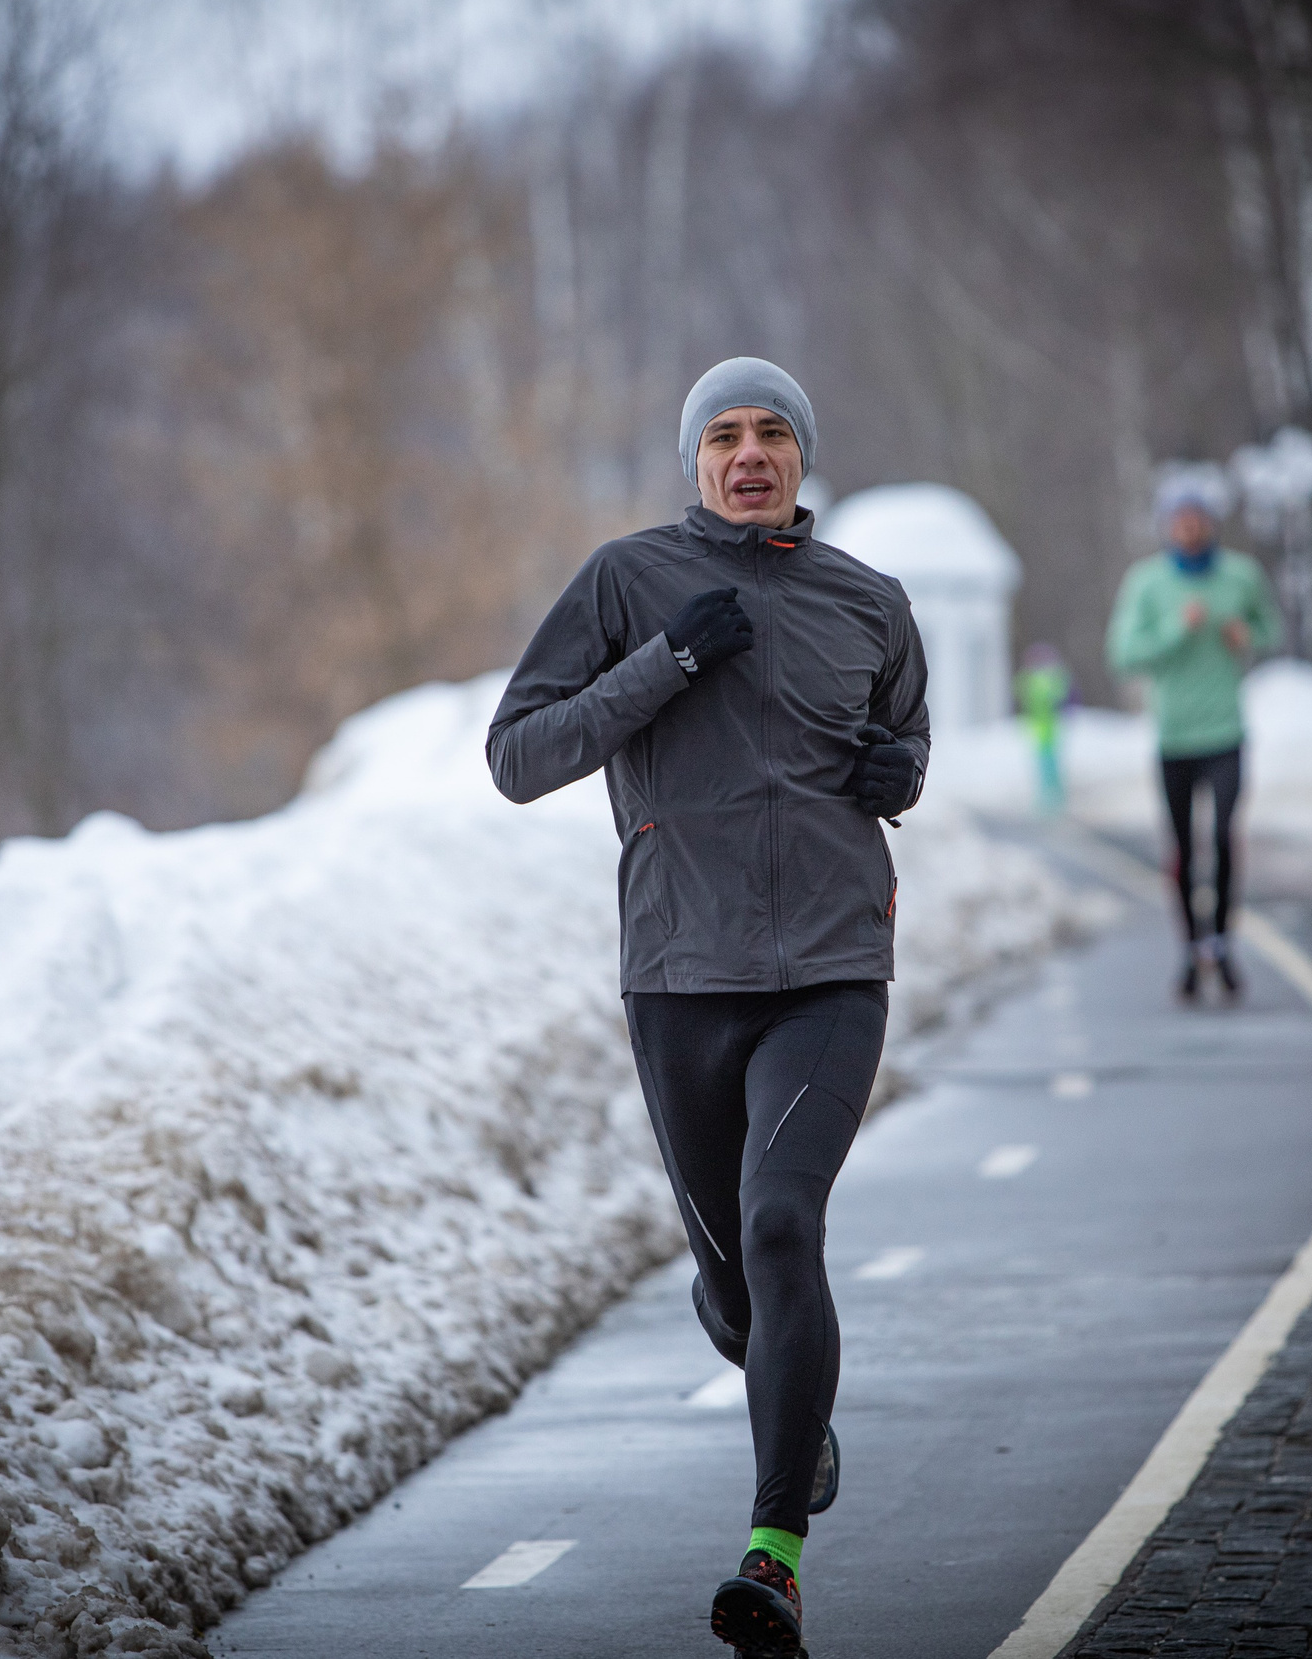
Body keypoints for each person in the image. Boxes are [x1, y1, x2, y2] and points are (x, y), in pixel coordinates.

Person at [489, 356, 929, 1658]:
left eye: (773, 431)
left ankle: (774, 1548)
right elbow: (520, 756)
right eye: (725, 434)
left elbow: (899, 748)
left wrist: (898, 772)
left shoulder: (873, 600)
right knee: (740, 1293)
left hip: (831, 972)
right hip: (680, 978)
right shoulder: (628, 582)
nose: (750, 452)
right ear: (695, 460)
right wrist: (669, 660)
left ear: (802, 455)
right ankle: (787, 1386)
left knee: (784, 1219)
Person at [1104, 481, 1280, 1001]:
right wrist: (1179, 630)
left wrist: (1247, 635)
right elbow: (1125, 654)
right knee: (1182, 847)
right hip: (1174, 736)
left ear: (1210, 524)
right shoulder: (1148, 583)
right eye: (1179, 519)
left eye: (1197, 518)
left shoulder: (1240, 576)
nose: (1189, 527)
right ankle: (1188, 948)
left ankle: (1221, 943)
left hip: (1225, 731)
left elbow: (1270, 627)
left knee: (1224, 838)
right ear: (1166, 527)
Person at [1015, 641, 1072, 815]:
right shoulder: (1046, 678)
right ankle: (1052, 800)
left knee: (1048, 767)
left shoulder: (1041, 679)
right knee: (1047, 767)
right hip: (1045, 729)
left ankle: (1052, 801)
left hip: (1046, 729)